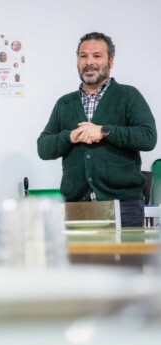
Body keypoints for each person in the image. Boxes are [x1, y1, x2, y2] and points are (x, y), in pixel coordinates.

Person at [37, 32, 157, 227]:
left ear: (110, 61)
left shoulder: (129, 96)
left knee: (126, 258)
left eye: (97, 56)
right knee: (80, 259)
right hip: (76, 207)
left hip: (123, 206)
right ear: (77, 61)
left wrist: (104, 131)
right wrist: (71, 136)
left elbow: (148, 137)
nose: (89, 62)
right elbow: (43, 148)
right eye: (83, 56)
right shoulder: (65, 103)